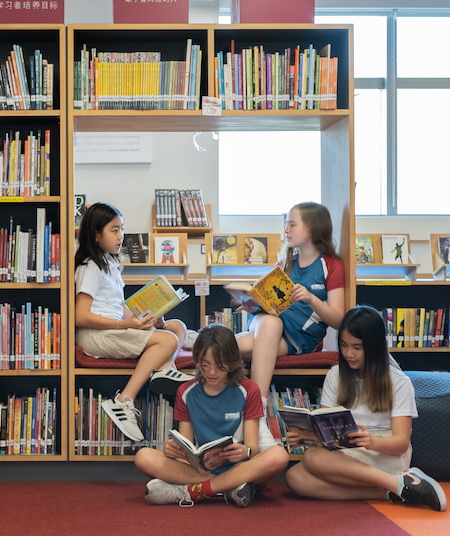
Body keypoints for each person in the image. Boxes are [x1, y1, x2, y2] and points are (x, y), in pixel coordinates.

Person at [285, 306, 447, 512]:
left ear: (374, 346)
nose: (348, 353)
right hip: (347, 452)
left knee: (312, 458)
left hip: (385, 452)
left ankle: (399, 482)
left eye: (357, 347)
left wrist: (371, 442)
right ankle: (393, 489)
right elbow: (324, 429)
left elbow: (401, 443)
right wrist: (304, 435)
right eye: (343, 345)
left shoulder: (398, 381)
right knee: (295, 477)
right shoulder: (336, 374)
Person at [135, 324, 289, 507]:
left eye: (220, 366)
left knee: (279, 456)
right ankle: (230, 487)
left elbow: (253, 448)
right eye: (204, 365)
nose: (211, 372)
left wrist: (245, 451)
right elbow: (186, 448)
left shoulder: (249, 390)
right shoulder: (186, 392)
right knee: (143, 456)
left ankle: (194, 491)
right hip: (202, 467)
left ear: (232, 363)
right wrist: (173, 451)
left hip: (238, 465)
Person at [75, 202, 192, 442]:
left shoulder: (110, 264)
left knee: (177, 326)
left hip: (113, 327)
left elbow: (117, 307)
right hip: (96, 334)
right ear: (96, 235)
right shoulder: (90, 267)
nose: (121, 236)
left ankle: (164, 370)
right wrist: (127, 325)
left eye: (122, 229)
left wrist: (150, 318)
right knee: (168, 341)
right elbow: (80, 316)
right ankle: (124, 400)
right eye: (114, 230)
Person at [236, 202, 346, 400]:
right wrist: (250, 302)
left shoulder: (331, 265)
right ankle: (258, 405)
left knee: (237, 347)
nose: (286, 230)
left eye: (292, 225)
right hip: (267, 324)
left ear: (313, 228)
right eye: (286, 224)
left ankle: (198, 342)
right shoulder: (286, 262)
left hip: (298, 338)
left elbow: (338, 320)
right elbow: (264, 298)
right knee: (270, 322)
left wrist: (312, 299)